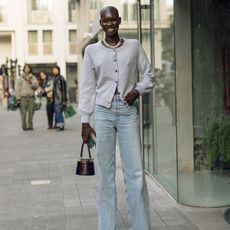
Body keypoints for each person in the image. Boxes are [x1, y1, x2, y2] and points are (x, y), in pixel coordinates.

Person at [78, 6, 155, 230]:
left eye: (113, 20)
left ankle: (140, 226)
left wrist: (137, 90)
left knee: (135, 172)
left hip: (127, 111)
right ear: (101, 24)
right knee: (105, 174)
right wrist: (85, 120)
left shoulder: (134, 47)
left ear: (119, 21)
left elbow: (149, 75)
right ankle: (106, 226)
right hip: (102, 112)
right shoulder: (91, 51)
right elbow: (87, 87)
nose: (110, 24)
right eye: (105, 21)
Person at [15, 64, 39, 130]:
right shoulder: (20, 78)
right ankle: (24, 126)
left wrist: (32, 83)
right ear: (24, 69)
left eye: (28, 68)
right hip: (23, 98)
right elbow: (17, 89)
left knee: (31, 113)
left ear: (30, 69)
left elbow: (36, 86)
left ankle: (30, 126)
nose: (27, 69)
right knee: (23, 113)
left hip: (31, 97)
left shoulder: (33, 77)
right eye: (26, 68)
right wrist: (18, 99)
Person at [52, 65, 67, 130]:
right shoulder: (54, 78)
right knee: (57, 111)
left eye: (56, 69)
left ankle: (61, 125)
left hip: (59, 98)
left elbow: (64, 89)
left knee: (58, 111)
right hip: (55, 98)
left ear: (58, 70)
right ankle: (58, 124)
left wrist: (64, 99)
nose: (54, 71)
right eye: (53, 70)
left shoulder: (61, 78)